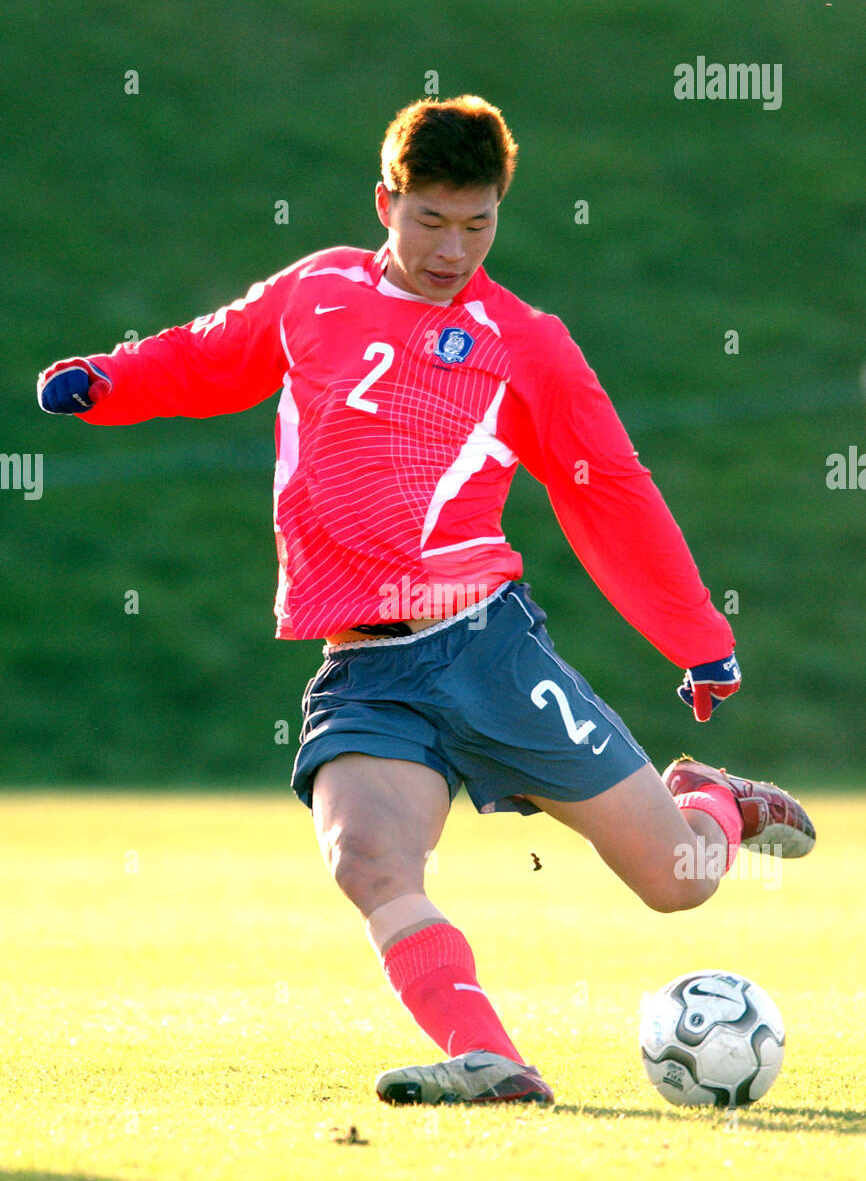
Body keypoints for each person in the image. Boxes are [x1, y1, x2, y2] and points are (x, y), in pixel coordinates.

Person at [38, 95, 815, 1107]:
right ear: (386, 202)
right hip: (365, 667)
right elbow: (207, 351)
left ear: (499, 211)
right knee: (367, 859)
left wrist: (696, 638)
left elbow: (607, 488)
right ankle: (493, 1061)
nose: (453, 248)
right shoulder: (314, 290)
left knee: (677, 879)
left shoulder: (522, 341)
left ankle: (714, 800)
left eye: (477, 223)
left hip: (485, 650)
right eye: (430, 221)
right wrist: (108, 378)